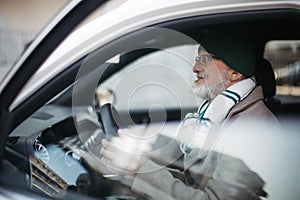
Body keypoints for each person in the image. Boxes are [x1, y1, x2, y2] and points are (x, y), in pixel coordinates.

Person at [99, 36, 280, 199]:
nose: (195, 68)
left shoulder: (250, 127)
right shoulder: (215, 113)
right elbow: (194, 182)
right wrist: (138, 166)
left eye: (205, 59)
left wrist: (139, 170)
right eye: (197, 59)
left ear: (235, 73)